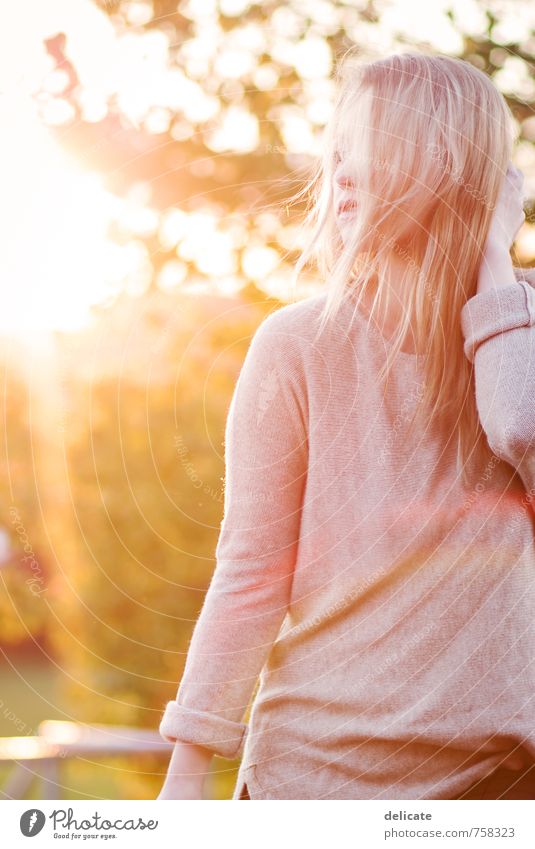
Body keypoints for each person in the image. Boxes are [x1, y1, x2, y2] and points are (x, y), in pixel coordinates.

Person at [157, 51, 535, 800]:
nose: (343, 173)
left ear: (444, 159)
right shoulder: (296, 344)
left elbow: (519, 430)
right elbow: (249, 567)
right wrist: (187, 770)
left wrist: (493, 261)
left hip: (494, 787)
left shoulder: (517, 338)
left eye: (368, 145)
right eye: (336, 153)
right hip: (313, 781)